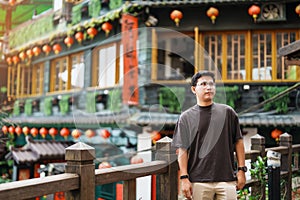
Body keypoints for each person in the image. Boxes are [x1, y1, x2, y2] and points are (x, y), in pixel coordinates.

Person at [171, 71, 246, 200]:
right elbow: (182, 150)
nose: (208, 87)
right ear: (194, 89)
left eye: (211, 84)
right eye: (203, 84)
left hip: (227, 179)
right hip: (199, 180)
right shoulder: (186, 118)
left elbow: (238, 142)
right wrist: (184, 178)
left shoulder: (228, 113)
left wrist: (241, 170)